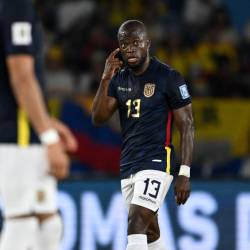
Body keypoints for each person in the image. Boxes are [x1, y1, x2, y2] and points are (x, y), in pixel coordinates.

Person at [92, 20, 194, 250]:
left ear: (147, 44)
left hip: (158, 161)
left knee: (136, 222)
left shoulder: (168, 77)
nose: (130, 48)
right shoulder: (119, 79)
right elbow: (98, 118)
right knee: (150, 231)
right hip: (129, 163)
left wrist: (184, 172)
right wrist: (106, 77)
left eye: (136, 42)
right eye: (124, 43)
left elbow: (187, 125)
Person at [0, 0, 77, 249]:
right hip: (18, 135)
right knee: (21, 221)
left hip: (25, 127)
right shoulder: (15, 6)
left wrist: (48, 122)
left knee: (48, 222)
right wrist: (49, 138)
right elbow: (21, 74)